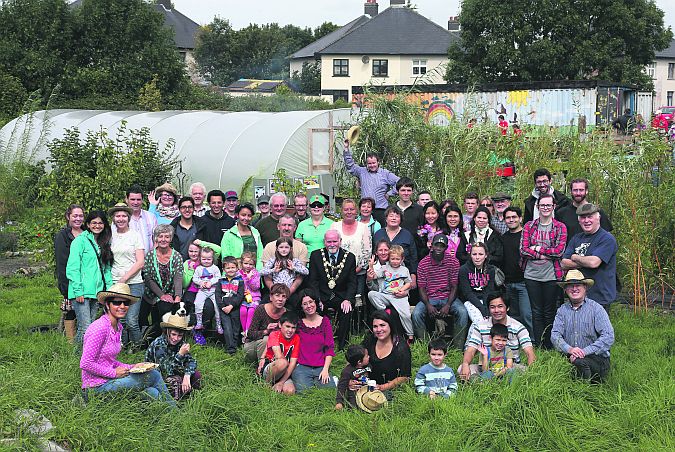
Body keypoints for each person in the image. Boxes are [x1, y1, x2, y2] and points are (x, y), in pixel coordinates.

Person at [80, 283, 175, 407]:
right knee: (154, 375)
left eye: (126, 303)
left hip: (109, 381)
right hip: (95, 387)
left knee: (153, 393)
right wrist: (114, 373)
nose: (122, 306)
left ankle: (166, 416)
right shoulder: (100, 328)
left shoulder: (117, 327)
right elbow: (85, 363)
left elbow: (110, 361)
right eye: (117, 303)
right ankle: (177, 414)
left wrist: (133, 366)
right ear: (107, 305)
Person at [521, 193, 567, 349]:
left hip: (551, 275)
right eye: (542, 205)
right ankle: (540, 345)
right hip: (531, 275)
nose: (545, 208)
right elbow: (524, 250)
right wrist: (546, 253)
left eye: (549, 205)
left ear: (553, 207)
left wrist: (539, 249)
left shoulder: (560, 227)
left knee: (549, 311)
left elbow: (559, 251)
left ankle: (550, 344)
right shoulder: (529, 226)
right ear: (537, 207)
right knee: (536, 311)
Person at [551, 270, 615, 382]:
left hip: (595, 358)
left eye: (578, 285)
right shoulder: (562, 311)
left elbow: (608, 336)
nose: (574, 288)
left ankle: (586, 390)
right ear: (565, 290)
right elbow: (555, 335)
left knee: (580, 363)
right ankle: (578, 386)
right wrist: (570, 349)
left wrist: (583, 352)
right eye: (570, 286)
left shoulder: (596, 309)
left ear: (585, 287)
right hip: (570, 356)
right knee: (568, 366)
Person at [459, 292, 535, 381]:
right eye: (492, 307)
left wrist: (531, 372)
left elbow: (529, 352)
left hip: (510, 366)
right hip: (486, 366)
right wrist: (465, 364)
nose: (496, 310)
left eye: (500, 306)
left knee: (523, 371)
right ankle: (486, 382)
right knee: (461, 369)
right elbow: (471, 350)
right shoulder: (480, 326)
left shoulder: (518, 327)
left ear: (508, 308)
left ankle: (487, 382)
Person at [66, 210, 114, 346]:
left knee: (91, 327)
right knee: (85, 327)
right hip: (81, 291)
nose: (97, 226)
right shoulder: (80, 241)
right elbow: (73, 268)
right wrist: (78, 290)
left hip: (96, 291)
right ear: (88, 224)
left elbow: (106, 269)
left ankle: (85, 357)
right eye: (94, 223)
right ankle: (79, 358)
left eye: (100, 223)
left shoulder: (104, 243)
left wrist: (108, 290)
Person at [412, 234, 466, 348]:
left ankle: (458, 347)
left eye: (442, 246)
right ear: (431, 246)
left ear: (446, 248)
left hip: (448, 297)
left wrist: (448, 305)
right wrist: (427, 305)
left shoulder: (453, 262)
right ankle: (425, 345)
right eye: (436, 245)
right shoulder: (423, 263)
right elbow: (421, 287)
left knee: (462, 312)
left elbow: (454, 286)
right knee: (416, 313)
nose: (439, 248)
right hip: (429, 297)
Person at [562, 204, 618, 311]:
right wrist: (585, 261)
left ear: (598, 218)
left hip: (600, 297)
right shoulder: (576, 238)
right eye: (583, 217)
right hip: (578, 296)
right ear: (579, 220)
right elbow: (564, 263)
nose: (586, 220)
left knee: (598, 327)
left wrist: (575, 257)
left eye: (590, 217)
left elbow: (593, 263)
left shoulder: (606, 238)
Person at [308, 230, 357, 350]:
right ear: (324, 242)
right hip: (322, 295)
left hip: (341, 296)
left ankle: (342, 344)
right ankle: (318, 343)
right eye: (329, 241)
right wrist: (316, 299)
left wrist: (348, 300)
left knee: (346, 310)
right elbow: (313, 281)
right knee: (316, 309)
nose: (332, 244)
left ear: (340, 241)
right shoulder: (316, 255)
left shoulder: (349, 257)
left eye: (335, 241)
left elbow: (352, 282)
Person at [108, 203, 145, 348]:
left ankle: (138, 347)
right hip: (115, 282)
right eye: (118, 216)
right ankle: (121, 346)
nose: (121, 218)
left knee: (132, 319)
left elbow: (140, 261)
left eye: (124, 215)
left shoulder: (135, 236)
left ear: (128, 218)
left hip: (134, 282)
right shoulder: (110, 236)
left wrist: (125, 278)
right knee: (119, 318)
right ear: (113, 218)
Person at [145, 314, 202, 400]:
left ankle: (192, 398)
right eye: (173, 334)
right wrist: (180, 354)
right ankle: (174, 404)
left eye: (179, 336)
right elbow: (166, 371)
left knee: (196, 375)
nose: (176, 338)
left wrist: (187, 375)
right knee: (175, 380)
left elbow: (191, 361)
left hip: (174, 371)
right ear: (167, 332)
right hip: (157, 377)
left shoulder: (181, 342)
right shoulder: (158, 345)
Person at [343, 140, 399, 225]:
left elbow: (399, 182)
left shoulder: (385, 173)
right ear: (366, 164)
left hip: (381, 210)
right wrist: (346, 149)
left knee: (381, 234)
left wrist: (390, 193)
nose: (372, 165)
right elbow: (350, 166)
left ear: (378, 162)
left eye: (374, 163)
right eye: (369, 163)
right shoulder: (362, 172)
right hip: (365, 211)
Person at [292, 289, 336, 392]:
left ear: (316, 302)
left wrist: (325, 369)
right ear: (301, 307)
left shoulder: (325, 322)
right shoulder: (298, 324)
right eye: (305, 304)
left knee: (329, 391)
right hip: (302, 366)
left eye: (311, 302)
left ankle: (332, 379)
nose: (309, 306)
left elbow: (329, 348)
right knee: (304, 392)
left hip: (321, 366)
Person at [141, 224, 183, 331]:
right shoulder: (150, 255)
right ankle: (143, 342)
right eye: (160, 236)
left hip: (170, 293)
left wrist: (177, 296)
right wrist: (161, 295)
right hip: (151, 293)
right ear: (156, 238)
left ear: (171, 239)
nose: (163, 239)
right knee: (141, 318)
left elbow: (178, 277)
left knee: (163, 317)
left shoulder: (177, 256)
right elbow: (148, 277)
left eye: (167, 237)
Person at [367, 245, 413, 341]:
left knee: (406, 315)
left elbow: (409, 283)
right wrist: (371, 266)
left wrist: (402, 289)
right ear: (389, 258)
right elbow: (375, 276)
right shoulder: (385, 268)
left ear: (402, 259)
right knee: (371, 294)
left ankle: (410, 335)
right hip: (386, 295)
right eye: (392, 259)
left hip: (399, 296)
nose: (395, 261)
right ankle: (383, 310)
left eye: (397, 259)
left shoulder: (404, 270)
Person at [361, 311, 411, 398]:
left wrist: (383, 387)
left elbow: (405, 377)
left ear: (390, 326)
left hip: (390, 389)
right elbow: (354, 359)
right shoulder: (369, 340)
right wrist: (351, 379)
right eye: (375, 326)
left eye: (382, 325)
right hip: (367, 385)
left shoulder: (401, 347)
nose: (379, 330)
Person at [331, 198, 372, 302]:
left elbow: (367, 252)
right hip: (338, 274)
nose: (349, 212)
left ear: (356, 211)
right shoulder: (334, 226)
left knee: (357, 303)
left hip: (358, 273)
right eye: (346, 209)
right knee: (340, 301)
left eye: (352, 209)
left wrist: (354, 271)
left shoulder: (363, 228)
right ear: (341, 211)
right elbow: (330, 247)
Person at [54, 204, 84, 343]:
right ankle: (71, 342)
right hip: (70, 280)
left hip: (86, 279)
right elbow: (62, 263)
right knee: (71, 310)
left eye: (81, 216)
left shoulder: (87, 233)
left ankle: (85, 340)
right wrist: (65, 289)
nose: (78, 219)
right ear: (68, 217)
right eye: (75, 216)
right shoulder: (63, 236)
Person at [501, 206, 532, 336]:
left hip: (524, 282)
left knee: (526, 314)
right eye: (508, 217)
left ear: (520, 218)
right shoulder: (503, 238)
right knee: (513, 315)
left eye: (514, 217)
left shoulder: (527, 236)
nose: (511, 220)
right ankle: (516, 341)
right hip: (507, 283)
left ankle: (533, 342)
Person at [556, 178, 613, 243]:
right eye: (575, 190)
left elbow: (607, 237)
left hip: (593, 252)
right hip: (569, 252)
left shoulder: (597, 212)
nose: (578, 193)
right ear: (571, 191)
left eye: (581, 190)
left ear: (586, 191)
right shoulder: (561, 213)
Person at [244, 283, 289, 363]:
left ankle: (277, 367)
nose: (280, 299)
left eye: (284, 296)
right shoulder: (261, 309)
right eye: (277, 295)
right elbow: (250, 334)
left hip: (276, 347)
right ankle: (262, 368)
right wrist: (266, 331)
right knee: (267, 339)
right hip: (254, 345)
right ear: (271, 297)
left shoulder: (287, 314)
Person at [373, 206, 418, 284]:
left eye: (397, 216)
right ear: (386, 219)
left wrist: (413, 275)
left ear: (400, 219)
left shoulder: (407, 234)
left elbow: (413, 256)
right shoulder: (378, 234)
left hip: (402, 275)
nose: (394, 218)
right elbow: (373, 254)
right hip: (381, 274)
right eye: (391, 216)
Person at [260, 237, 309, 310]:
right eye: (281, 247)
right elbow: (261, 272)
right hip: (276, 291)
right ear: (277, 248)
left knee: (297, 306)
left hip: (290, 291)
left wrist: (294, 268)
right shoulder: (273, 261)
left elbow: (306, 272)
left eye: (286, 247)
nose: (284, 249)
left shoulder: (294, 261)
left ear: (291, 249)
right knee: (262, 306)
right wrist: (273, 270)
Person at [258, 311, 300, 395]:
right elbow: (278, 357)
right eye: (287, 326)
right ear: (280, 325)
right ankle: (266, 384)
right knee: (282, 362)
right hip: (272, 368)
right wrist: (262, 357)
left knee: (290, 391)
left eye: (293, 327)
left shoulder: (296, 338)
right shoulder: (274, 334)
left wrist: (281, 382)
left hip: (285, 372)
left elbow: (292, 363)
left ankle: (277, 385)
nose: (290, 330)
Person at [458, 242, 498, 325]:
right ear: (470, 255)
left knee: (491, 319)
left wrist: (486, 308)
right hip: (470, 300)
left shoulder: (490, 269)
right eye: (474, 254)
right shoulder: (464, 269)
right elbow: (467, 293)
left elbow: (489, 290)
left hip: (485, 299)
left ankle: (472, 338)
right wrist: (482, 309)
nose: (477, 257)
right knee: (480, 321)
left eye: (480, 254)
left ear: (486, 255)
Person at [214, 256, 245, 352]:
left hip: (235, 308)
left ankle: (235, 344)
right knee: (227, 328)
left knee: (236, 328)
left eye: (233, 267)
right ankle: (230, 348)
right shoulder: (220, 281)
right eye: (228, 268)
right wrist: (222, 307)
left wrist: (232, 306)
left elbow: (240, 295)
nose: (230, 270)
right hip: (224, 309)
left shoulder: (240, 281)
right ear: (223, 269)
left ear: (237, 268)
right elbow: (217, 295)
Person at [220, 203, 263, 270]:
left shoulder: (255, 232)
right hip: (234, 274)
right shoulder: (229, 234)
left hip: (254, 274)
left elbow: (260, 254)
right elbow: (226, 257)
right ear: (237, 215)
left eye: (249, 216)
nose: (246, 218)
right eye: (243, 215)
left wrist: (257, 271)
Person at [192, 247, 222, 338]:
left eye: (209, 259)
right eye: (204, 259)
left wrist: (211, 282)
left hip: (213, 291)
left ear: (213, 259)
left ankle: (218, 324)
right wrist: (200, 282)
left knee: (217, 306)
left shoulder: (215, 268)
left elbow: (218, 278)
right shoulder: (198, 269)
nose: (206, 261)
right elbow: (195, 278)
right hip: (202, 291)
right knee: (197, 303)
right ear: (200, 258)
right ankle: (199, 322)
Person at [170, 196, 207, 261]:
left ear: (194, 208)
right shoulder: (172, 228)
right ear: (179, 209)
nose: (187, 210)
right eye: (183, 207)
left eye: (190, 207)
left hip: (199, 266)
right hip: (178, 265)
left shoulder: (202, 226)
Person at [335, 344, 370, 410]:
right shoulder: (347, 372)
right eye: (367, 356)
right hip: (354, 394)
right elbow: (341, 387)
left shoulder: (368, 365)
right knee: (354, 408)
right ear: (359, 362)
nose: (369, 357)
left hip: (367, 391)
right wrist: (339, 402)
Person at [125, 185, 157, 253]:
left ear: (142, 200)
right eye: (132, 199)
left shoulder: (151, 217)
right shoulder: (121, 219)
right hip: (128, 261)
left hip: (148, 260)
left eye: (138, 199)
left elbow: (156, 240)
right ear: (126, 200)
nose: (136, 203)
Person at [239, 251, 261, 337]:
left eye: (251, 264)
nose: (248, 266)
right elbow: (239, 285)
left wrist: (249, 279)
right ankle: (244, 331)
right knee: (243, 311)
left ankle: (248, 331)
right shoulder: (239, 273)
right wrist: (245, 278)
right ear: (241, 263)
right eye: (246, 263)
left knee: (252, 310)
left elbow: (256, 287)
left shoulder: (255, 273)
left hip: (254, 297)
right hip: (243, 298)